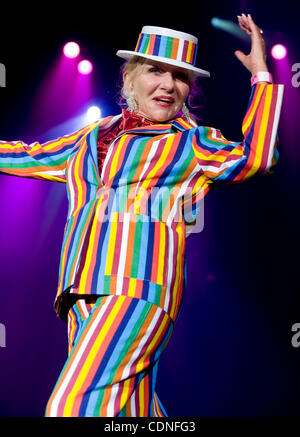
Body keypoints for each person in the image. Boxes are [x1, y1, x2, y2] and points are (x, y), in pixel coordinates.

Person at [0, 15, 284, 417]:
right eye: (156, 71)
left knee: (72, 407)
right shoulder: (90, 135)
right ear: (130, 78)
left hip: (139, 289)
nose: (168, 84)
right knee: (134, 413)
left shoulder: (193, 142)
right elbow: (26, 155)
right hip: (79, 293)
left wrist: (261, 78)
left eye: (181, 76)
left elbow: (257, 158)